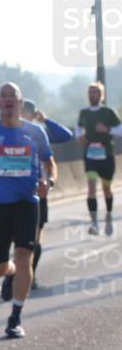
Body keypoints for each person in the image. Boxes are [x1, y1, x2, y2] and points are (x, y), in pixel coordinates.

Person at [0, 82, 55, 338]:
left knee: (24, 256)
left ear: (20, 102)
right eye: (3, 96)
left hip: (27, 203)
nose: (8, 99)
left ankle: (15, 317)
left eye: (13, 96)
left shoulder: (35, 132)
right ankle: (11, 272)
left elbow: (50, 163)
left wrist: (48, 182)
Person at [22, 99, 73, 289]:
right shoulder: (9, 131)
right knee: (18, 239)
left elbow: (66, 135)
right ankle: (18, 272)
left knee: (35, 237)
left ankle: (30, 275)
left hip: (37, 190)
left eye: (28, 112)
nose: (23, 115)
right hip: (14, 190)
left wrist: (46, 120)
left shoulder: (40, 132)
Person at [76, 81, 121, 236]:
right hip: (90, 156)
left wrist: (107, 129)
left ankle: (108, 216)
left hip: (106, 155)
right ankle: (94, 222)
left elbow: (120, 129)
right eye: (90, 92)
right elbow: (78, 127)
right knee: (91, 188)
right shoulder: (84, 113)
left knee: (106, 189)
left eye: (95, 92)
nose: (91, 95)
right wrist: (79, 136)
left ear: (102, 95)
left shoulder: (108, 112)